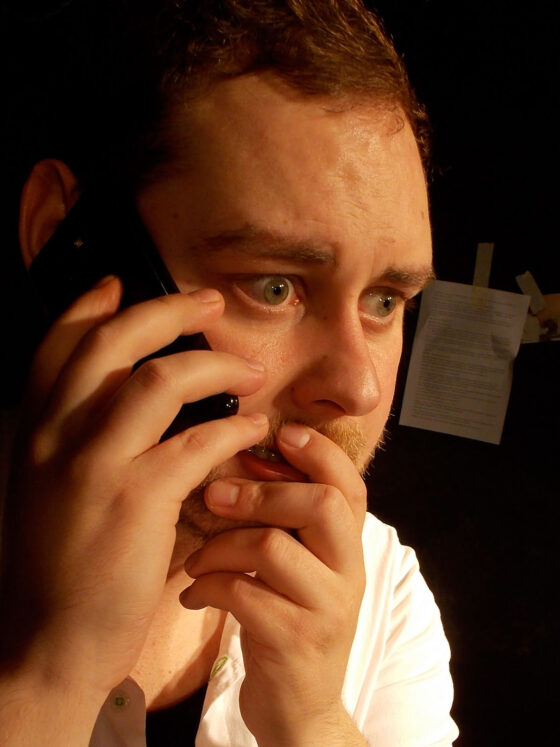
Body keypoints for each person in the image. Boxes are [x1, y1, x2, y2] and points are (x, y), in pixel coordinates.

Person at [0, 1, 459, 744]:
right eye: (274, 287)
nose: (360, 388)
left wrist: (314, 720)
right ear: (63, 237)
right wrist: (53, 674)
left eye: (384, 301)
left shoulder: (387, 598)